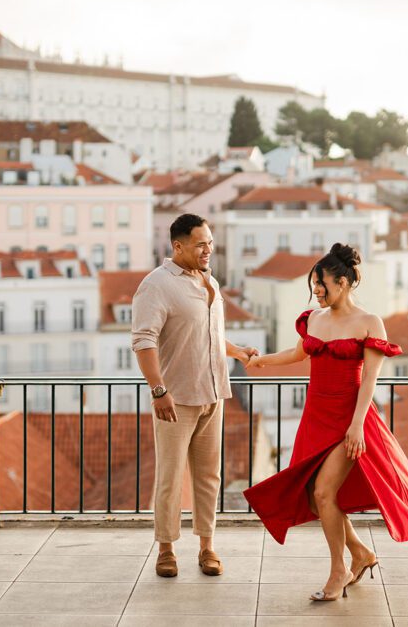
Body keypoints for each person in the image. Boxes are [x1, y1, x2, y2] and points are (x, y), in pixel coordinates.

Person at [244, 243, 408, 601]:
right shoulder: (314, 319)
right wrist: (261, 361)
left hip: (350, 418)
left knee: (323, 492)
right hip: (316, 417)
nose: (316, 291)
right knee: (317, 500)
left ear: (343, 282)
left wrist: (357, 425)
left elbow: (371, 380)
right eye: (313, 285)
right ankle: (360, 553)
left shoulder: (369, 323)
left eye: (322, 285)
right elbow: (296, 353)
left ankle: (338, 571)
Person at [131, 213, 259, 578]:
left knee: (208, 477)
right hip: (176, 398)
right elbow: (143, 341)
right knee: (170, 477)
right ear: (178, 246)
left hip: (214, 393)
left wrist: (237, 352)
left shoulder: (210, 283)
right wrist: (159, 391)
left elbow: (210, 336)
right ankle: (166, 549)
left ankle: (207, 546)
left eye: (211, 243)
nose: (209, 250)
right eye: (201, 243)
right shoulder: (156, 285)